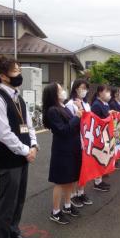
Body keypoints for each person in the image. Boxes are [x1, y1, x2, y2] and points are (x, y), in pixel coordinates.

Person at [0, 55, 38, 238]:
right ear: (2, 76)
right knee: (7, 203)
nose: (19, 74)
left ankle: (14, 234)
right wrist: (26, 151)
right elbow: (4, 134)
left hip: (23, 156)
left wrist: (33, 145)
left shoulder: (19, 98)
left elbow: (29, 125)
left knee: (19, 199)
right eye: (15, 71)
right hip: (9, 160)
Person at [42, 82, 83, 225]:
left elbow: (74, 124)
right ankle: (55, 212)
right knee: (60, 181)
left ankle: (67, 205)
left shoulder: (63, 107)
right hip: (62, 150)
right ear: (54, 93)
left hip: (72, 148)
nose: (63, 91)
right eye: (60, 89)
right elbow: (64, 130)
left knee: (70, 179)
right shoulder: (53, 110)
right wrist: (77, 116)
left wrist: (78, 111)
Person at [65, 79, 93, 208]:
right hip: (76, 140)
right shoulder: (70, 104)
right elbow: (72, 123)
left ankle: (81, 192)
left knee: (84, 168)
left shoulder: (87, 104)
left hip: (87, 140)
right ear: (75, 88)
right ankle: (72, 195)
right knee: (74, 169)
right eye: (81, 87)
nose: (84, 90)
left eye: (85, 88)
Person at [90, 85, 112, 192]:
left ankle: (99, 180)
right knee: (98, 159)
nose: (108, 93)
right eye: (106, 91)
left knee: (103, 158)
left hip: (105, 135)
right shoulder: (96, 105)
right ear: (99, 93)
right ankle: (97, 182)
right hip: (99, 136)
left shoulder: (105, 104)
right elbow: (95, 122)